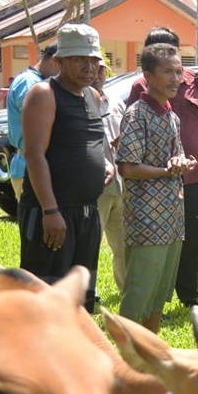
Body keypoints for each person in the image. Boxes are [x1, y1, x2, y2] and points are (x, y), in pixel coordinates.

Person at [127, 27, 198, 307]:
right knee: (157, 241)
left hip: (193, 177)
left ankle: (189, 295)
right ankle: (157, 297)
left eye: (169, 50)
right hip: (154, 181)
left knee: (192, 238)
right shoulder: (140, 87)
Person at [19, 23, 108, 309]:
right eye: (80, 59)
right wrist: (50, 210)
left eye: (93, 59)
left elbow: (89, 143)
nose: (89, 66)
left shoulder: (93, 97)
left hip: (87, 213)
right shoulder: (44, 94)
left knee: (80, 297)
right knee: (46, 298)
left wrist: (106, 165)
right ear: (59, 61)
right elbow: (34, 155)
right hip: (54, 213)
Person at [116, 43, 196, 331]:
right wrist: (166, 170)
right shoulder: (138, 114)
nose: (177, 79)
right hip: (147, 220)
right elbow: (127, 167)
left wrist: (181, 162)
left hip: (172, 220)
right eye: (168, 72)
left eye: (179, 72)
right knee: (139, 290)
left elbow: (171, 158)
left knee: (160, 291)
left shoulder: (171, 116)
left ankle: (149, 349)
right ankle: (122, 356)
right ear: (148, 76)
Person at [6, 43, 57, 200]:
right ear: (55, 60)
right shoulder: (29, 82)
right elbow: (35, 117)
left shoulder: (39, 80)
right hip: (29, 167)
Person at [93, 62, 126, 291]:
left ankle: (129, 294)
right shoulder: (78, 101)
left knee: (125, 246)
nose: (97, 74)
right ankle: (87, 296)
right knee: (89, 245)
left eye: (102, 70)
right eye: (93, 68)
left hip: (122, 186)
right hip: (95, 187)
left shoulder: (115, 101)